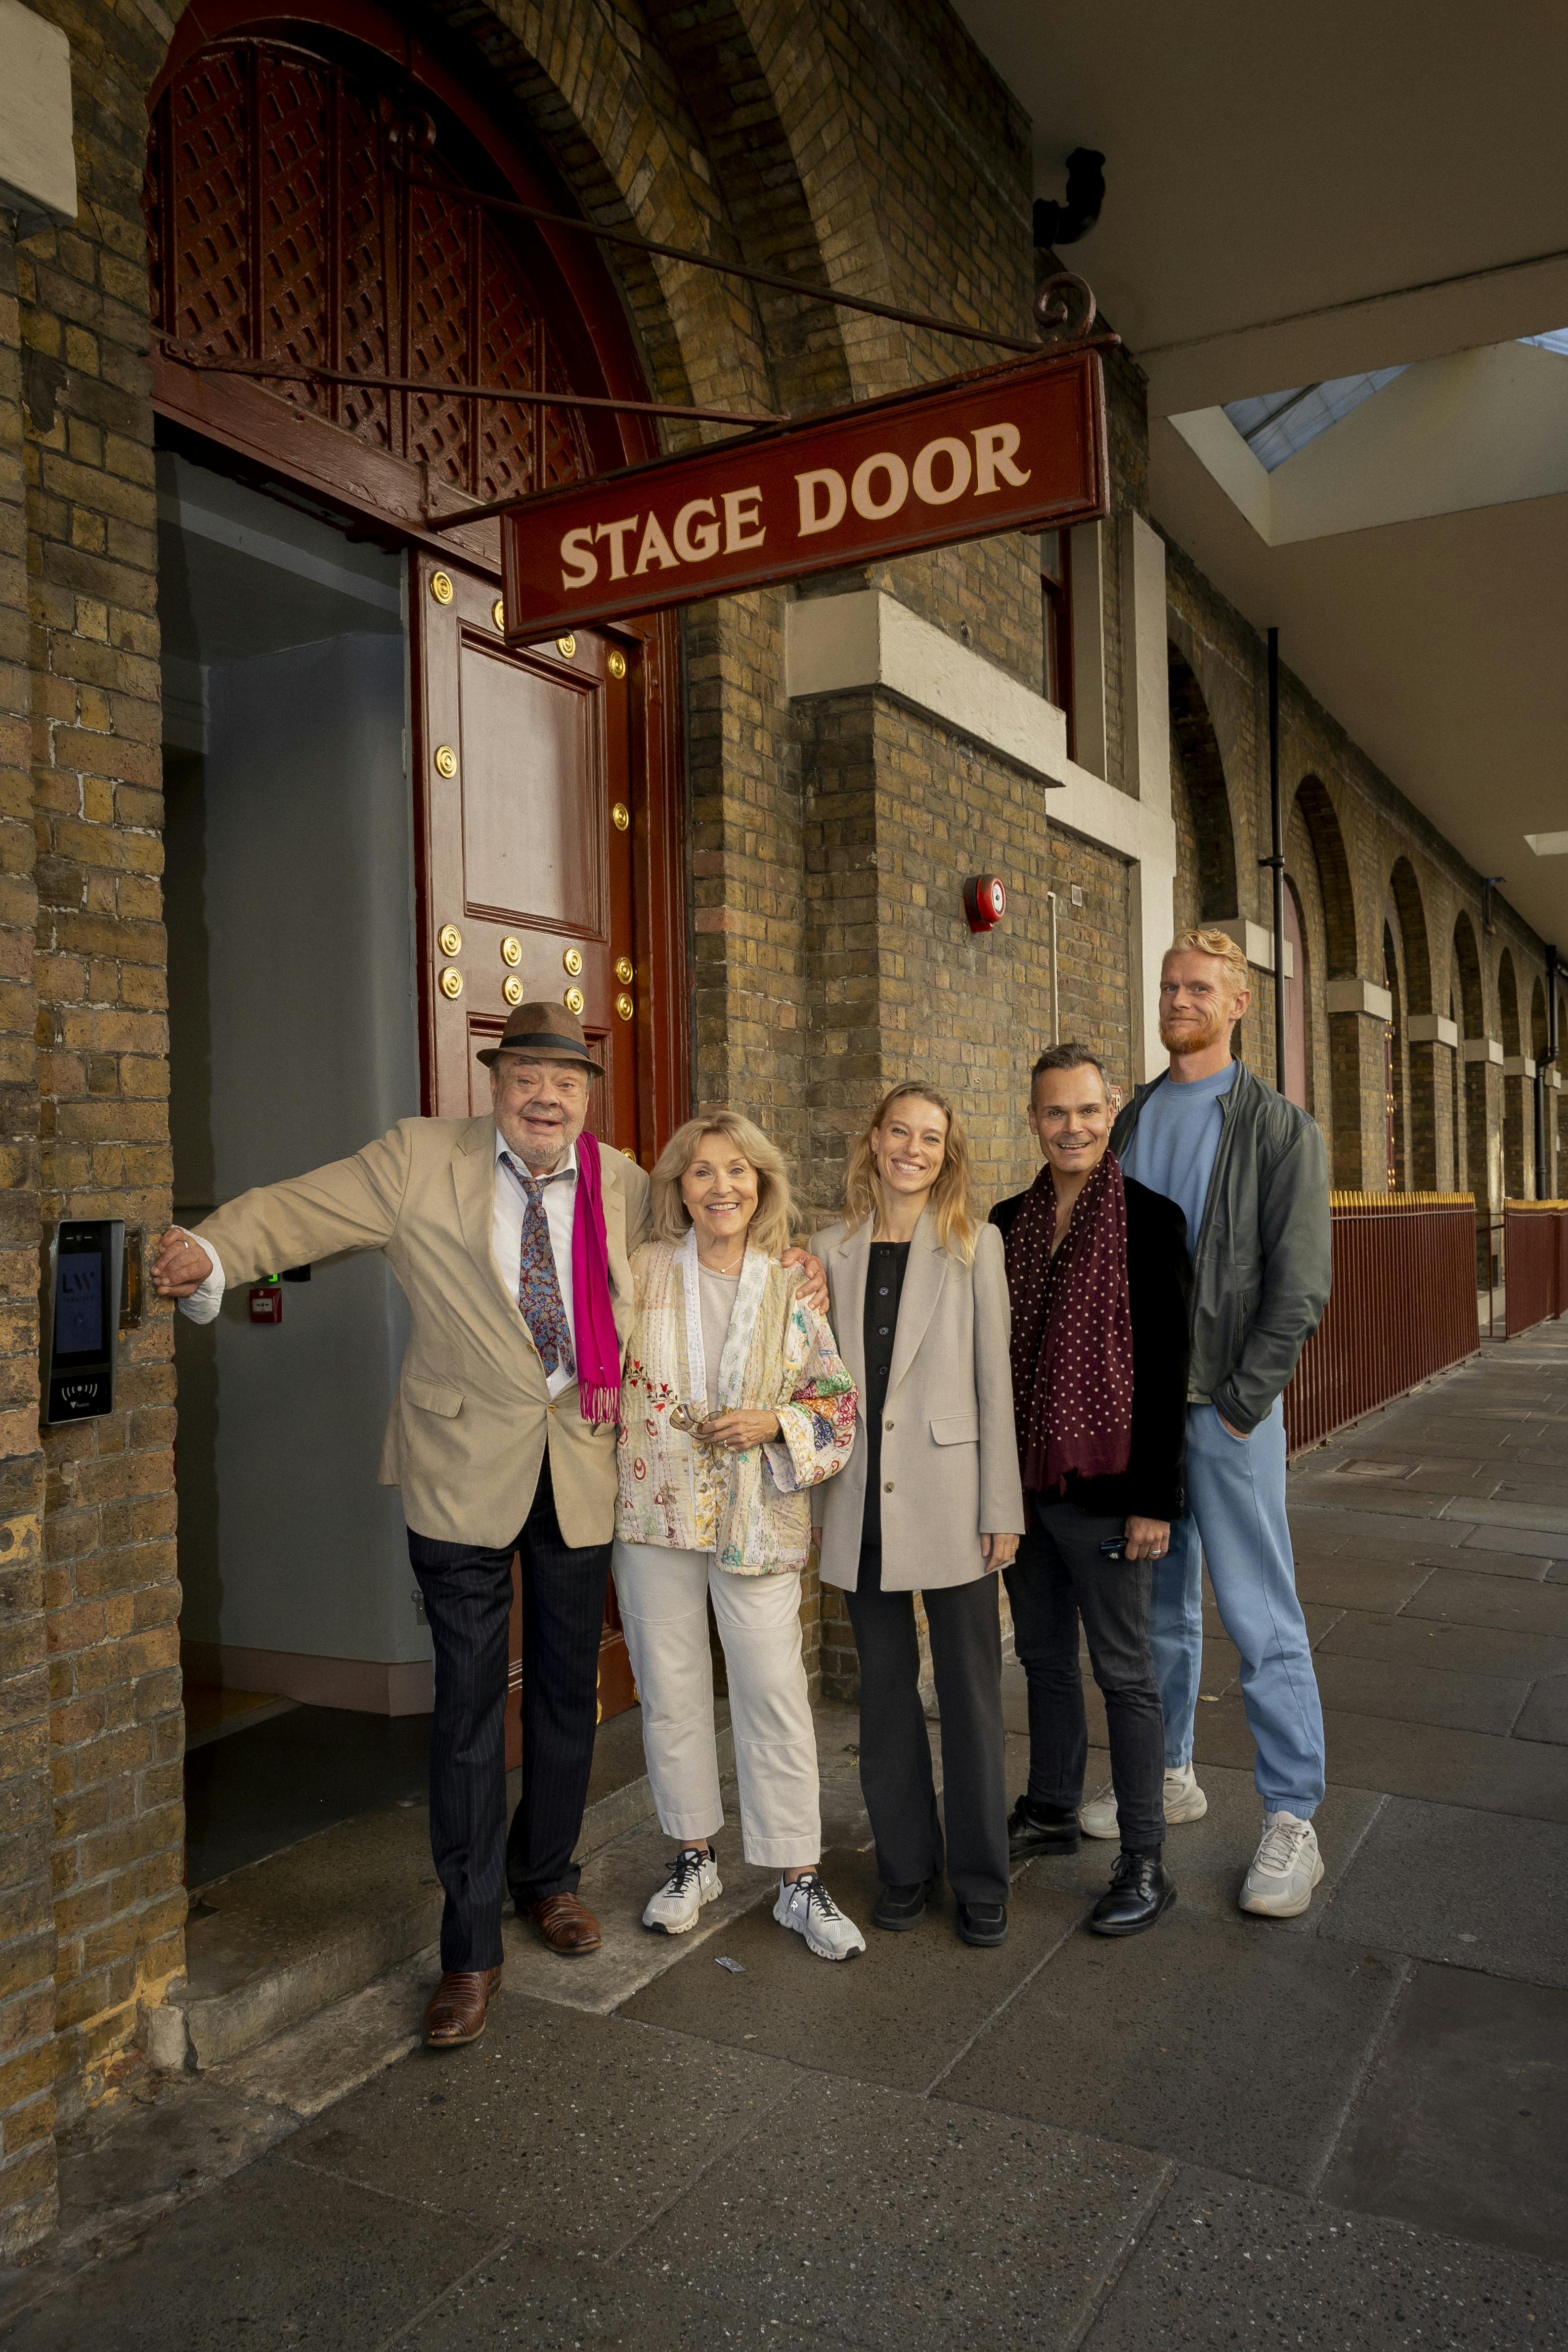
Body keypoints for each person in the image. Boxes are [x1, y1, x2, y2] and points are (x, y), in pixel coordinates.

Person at [151, 1003, 828, 2048]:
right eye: (526, 1078)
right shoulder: (419, 1157)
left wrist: (799, 1263)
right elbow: (304, 1208)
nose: (545, 1097)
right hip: (459, 1467)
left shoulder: (622, 1179)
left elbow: (711, 1242)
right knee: (468, 1708)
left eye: (565, 1081)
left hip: (583, 1469)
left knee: (563, 1695)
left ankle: (546, 1878)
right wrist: (212, 1249)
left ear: (586, 1095)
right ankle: (468, 1948)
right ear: (497, 1082)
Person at [1105, 929, 1332, 1919]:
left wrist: (1241, 1407)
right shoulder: (1130, 1116)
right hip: (1141, 1415)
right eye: (1167, 986)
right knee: (1158, 1609)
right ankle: (1169, 1774)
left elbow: (1300, 1287)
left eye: (1197, 987)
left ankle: (1293, 1818)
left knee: (1259, 1614)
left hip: (1224, 1412)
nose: (1177, 1000)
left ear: (1238, 1002)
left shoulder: (1280, 1130)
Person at [611, 1112, 866, 1961]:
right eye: (702, 1172)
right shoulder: (642, 1269)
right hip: (654, 1511)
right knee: (670, 1687)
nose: (721, 1186)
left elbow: (836, 1404)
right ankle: (694, 1857)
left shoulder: (790, 1283)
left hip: (758, 1517)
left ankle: (798, 1877)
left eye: (737, 1171)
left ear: (761, 1184)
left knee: (774, 1691)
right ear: (679, 1189)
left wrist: (773, 1422)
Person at [812, 1084, 1024, 1947]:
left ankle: (981, 1879)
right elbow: (814, 1381)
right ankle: (904, 1867)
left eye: (930, 1137)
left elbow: (994, 1385)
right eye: (899, 1131)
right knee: (886, 1696)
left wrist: (1002, 1507)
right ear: (874, 1139)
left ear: (946, 1154)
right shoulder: (827, 1250)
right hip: (860, 1498)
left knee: (971, 1696)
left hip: (954, 1500)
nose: (912, 1148)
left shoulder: (976, 1244)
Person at [993, 1044, 1192, 1937]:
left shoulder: (1150, 1220)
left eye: (1086, 1110)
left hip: (1111, 1489)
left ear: (1111, 1111)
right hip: (1024, 1484)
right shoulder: (1007, 1221)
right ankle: (1050, 1807)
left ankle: (1145, 1858)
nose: (1071, 1127)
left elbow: (1168, 1366)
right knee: (1042, 1656)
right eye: (1054, 1111)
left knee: (1124, 1670)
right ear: (1034, 1119)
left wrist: (1156, 1498)